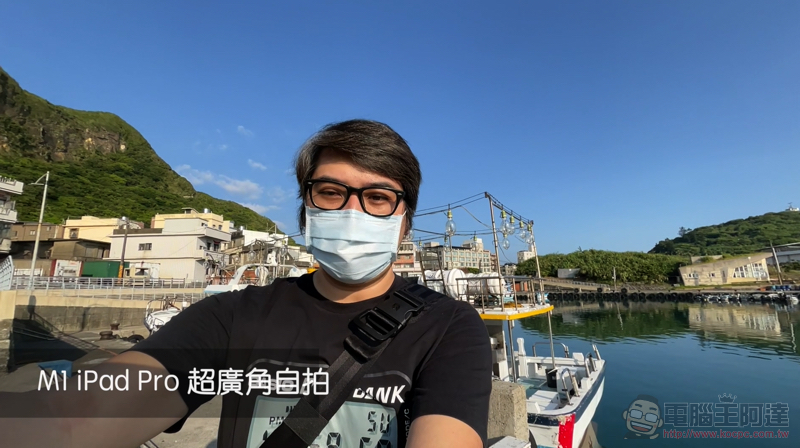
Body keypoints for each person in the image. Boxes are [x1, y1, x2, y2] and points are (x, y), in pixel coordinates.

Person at [0, 119, 492, 448]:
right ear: (306, 211)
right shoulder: (233, 317)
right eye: (330, 192)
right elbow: (81, 413)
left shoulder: (448, 328)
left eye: (378, 197)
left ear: (404, 224)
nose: (352, 210)